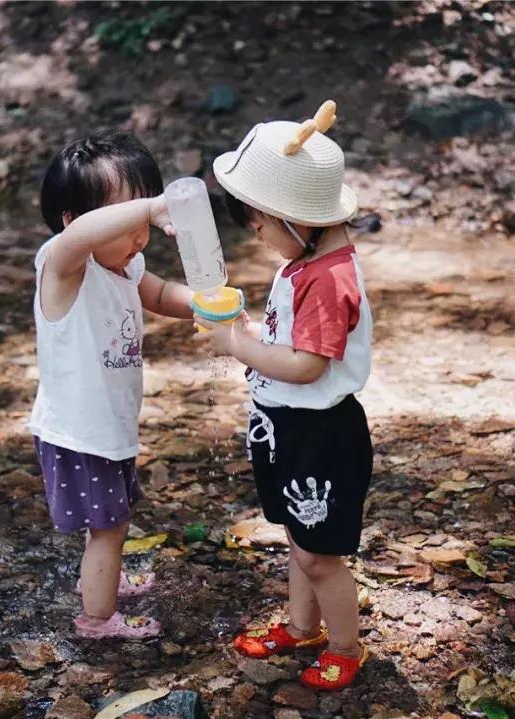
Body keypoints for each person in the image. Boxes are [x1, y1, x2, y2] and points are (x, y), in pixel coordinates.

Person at [195, 101, 374, 689]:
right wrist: (247, 330)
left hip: (320, 434)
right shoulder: (308, 261)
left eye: (260, 224)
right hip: (289, 428)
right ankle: (303, 628)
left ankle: (345, 646)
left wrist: (236, 344)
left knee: (320, 555)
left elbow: (306, 366)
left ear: (296, 219)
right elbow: (291, 340)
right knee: (300, 541)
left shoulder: (328, 279)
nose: (257, 234)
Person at [29, 130, 194, 639]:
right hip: (80, 433)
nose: (141, 234)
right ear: (73, 221)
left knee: (113, 517)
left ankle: (103, 579)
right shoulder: (63, 266)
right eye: (127, 220)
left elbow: (160, 295)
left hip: (109, 425)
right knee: (110, 527)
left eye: (145, 221)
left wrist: (205, 305)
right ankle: (97, 619)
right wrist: (153, 208)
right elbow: (83, 235)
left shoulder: (124, 266)